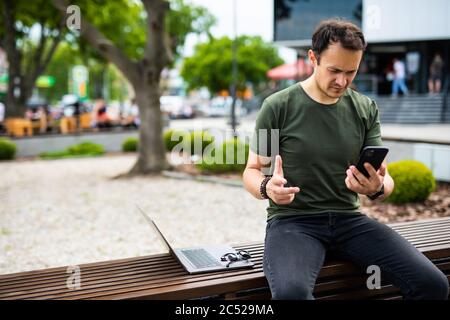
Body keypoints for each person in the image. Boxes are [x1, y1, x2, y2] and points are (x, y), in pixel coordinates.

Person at [243, 19, 449, 300]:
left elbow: (384, 179)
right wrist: (267, 187)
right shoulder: (277, 107)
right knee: (292, 295)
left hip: (350, 221)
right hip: (294, 223)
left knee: (433, 284)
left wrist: (376, 187)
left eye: (351, 72)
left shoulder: (364, 109)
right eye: (334, 70)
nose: (342, 81)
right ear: (313, 58)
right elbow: (253, 170)